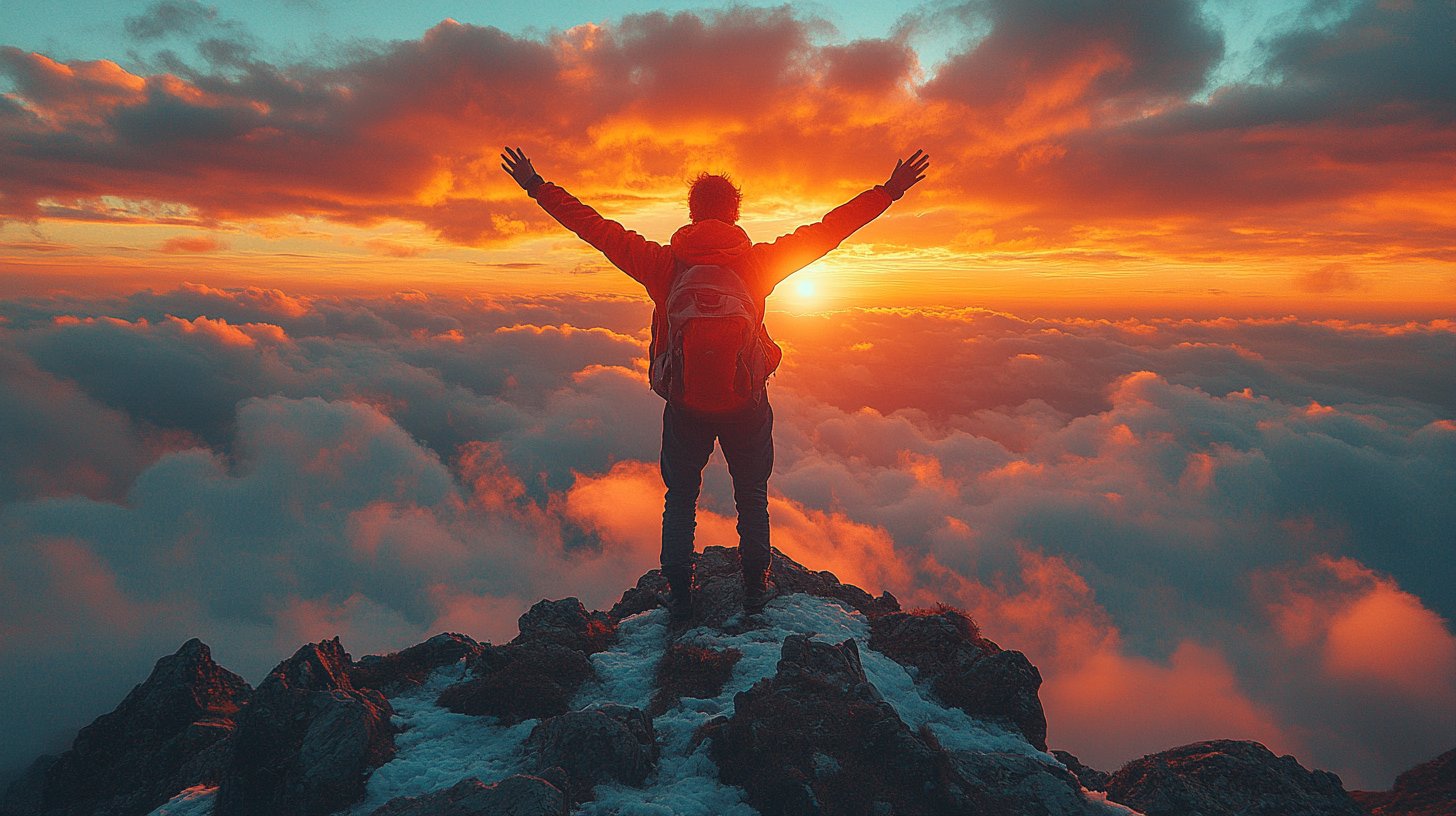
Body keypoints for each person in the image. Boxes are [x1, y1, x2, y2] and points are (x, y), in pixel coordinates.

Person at [500, 146, 930, 620]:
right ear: (734, 214)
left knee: (681, 494)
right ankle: (753, 589)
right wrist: (888, 192)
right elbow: (829, 231)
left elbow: (596, 228)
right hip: (746, 401)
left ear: (692, 213)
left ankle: (680, 592)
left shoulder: (663, 265)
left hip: (685, 402)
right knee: (751, 494)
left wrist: (537, 186)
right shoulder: (757, 265)